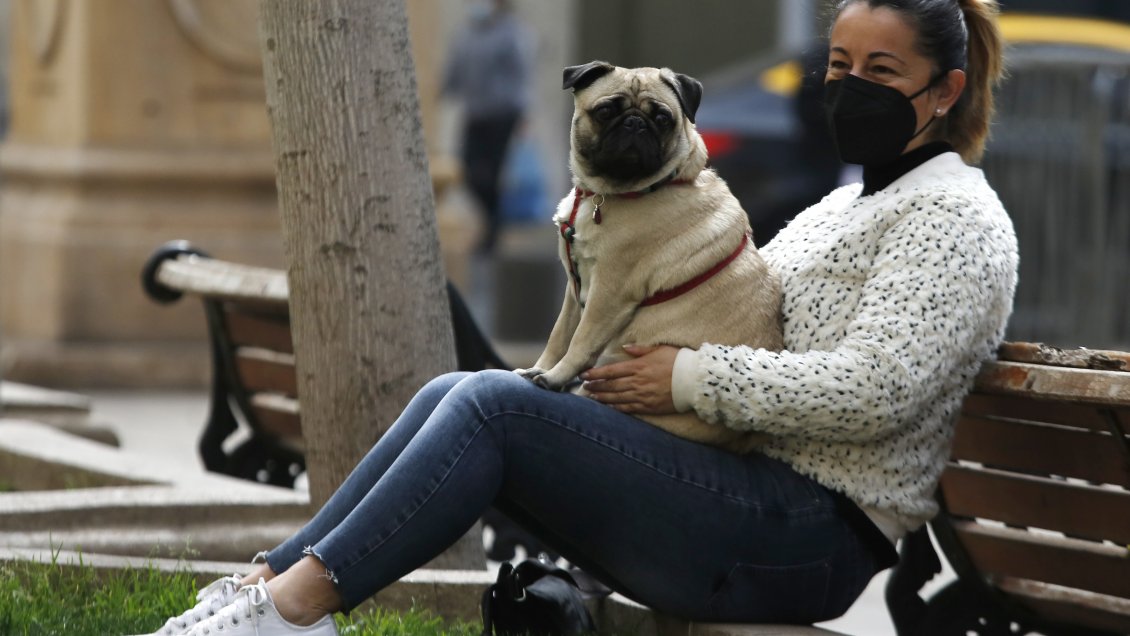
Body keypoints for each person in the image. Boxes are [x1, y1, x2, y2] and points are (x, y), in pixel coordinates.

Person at [132, 0, 1017, 633]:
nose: (848, 86)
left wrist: (689, 376)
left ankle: (292, 613)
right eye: (840, 66)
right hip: (734, 489)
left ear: (944, 91)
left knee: (493, 404)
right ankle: (267, 585)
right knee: (458, 389)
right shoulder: (843, 207)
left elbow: (878, 390)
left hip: (808, 535)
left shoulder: (954, 218)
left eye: (880, 73)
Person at [441, 0, 536, 254]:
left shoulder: (512, 32)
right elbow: (455, 68)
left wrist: (524, 115)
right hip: (475, 113)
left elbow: (521, 74)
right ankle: (488, 224)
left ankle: (491, 234)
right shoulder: (466, 33)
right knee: (468, 170)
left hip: (502, 115)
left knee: (491, 175)